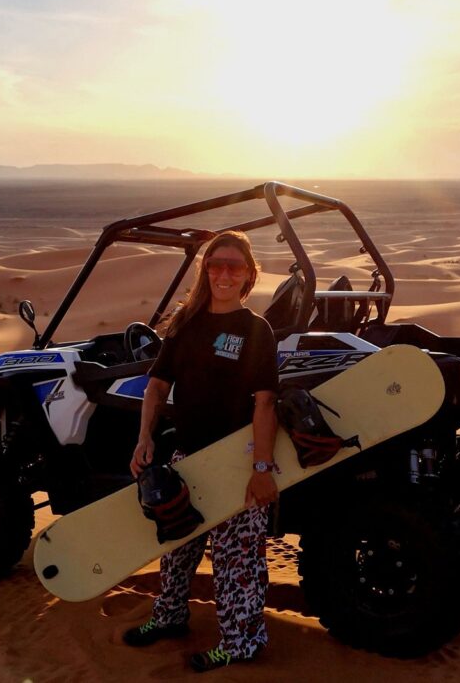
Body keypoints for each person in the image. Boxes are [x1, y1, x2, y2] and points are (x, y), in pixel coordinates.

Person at [124, 230, 279, 673]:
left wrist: (262, 468)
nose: (224, 274)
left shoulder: (256, 330)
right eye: (217, 265)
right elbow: (157, 386)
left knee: (237, 563)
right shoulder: (186, 324)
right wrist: (145, 437)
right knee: (177, 548)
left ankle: (242, 642)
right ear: (206, 269)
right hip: (188, 459)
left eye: (235, 267)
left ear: (249, 276)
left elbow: (265, 402)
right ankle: (170, 617)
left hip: (237, 460)